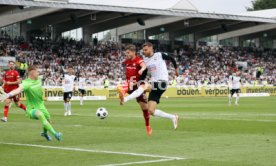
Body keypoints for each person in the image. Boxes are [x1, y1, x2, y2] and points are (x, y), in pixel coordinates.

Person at [118, 42, 179, 130]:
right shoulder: (145, 60)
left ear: (151, 48)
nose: (144, 51)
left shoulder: (159, 55)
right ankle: (173, 117)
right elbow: (144, 75)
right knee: (151, 111)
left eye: (146, 50)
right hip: (155, 84)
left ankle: (125, 99)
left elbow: (171, 58)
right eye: (143, 50)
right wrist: (137, 82)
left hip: (162, 82)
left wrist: (176, 69)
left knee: (143, 86)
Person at [0, 65, 62, 141]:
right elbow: (18, 90)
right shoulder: (26, 83)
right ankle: (55, 134)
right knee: (40, 114)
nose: (38, 73)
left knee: (48, 120)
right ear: (32, 73)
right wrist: (8, 95)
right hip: (32, 108)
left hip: (41, 106)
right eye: (37, 72)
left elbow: (46, 74)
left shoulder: (39, 79)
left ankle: (44, 133)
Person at [118, 44, 152, 136]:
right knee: (122, 88)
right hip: (129, 83)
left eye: (128, 53)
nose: (127, 54)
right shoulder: (127, 61)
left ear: (133, 52)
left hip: (137, 84)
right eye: (126, 53)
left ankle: (148, 126)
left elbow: (144, 65)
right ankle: (122, 96)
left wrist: (142, 69)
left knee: (145, 109)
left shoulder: (138, 60)